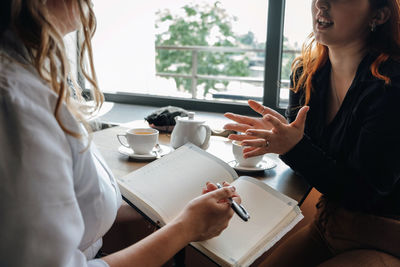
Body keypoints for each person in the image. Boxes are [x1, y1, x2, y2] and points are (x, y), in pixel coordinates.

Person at [0, 1, 240, 266]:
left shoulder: (30, 80)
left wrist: (178, 206)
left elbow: (85, 207)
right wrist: (186, 227)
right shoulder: (15, 102)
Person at [224, 0, 400, 266]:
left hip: (385, 237)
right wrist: (280, 139)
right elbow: (311, 164)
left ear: (379, 14)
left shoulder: (392, 85)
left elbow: (365, 192)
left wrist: (294, 147)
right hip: (330, 226)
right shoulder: (306, 73)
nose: (321, 3)